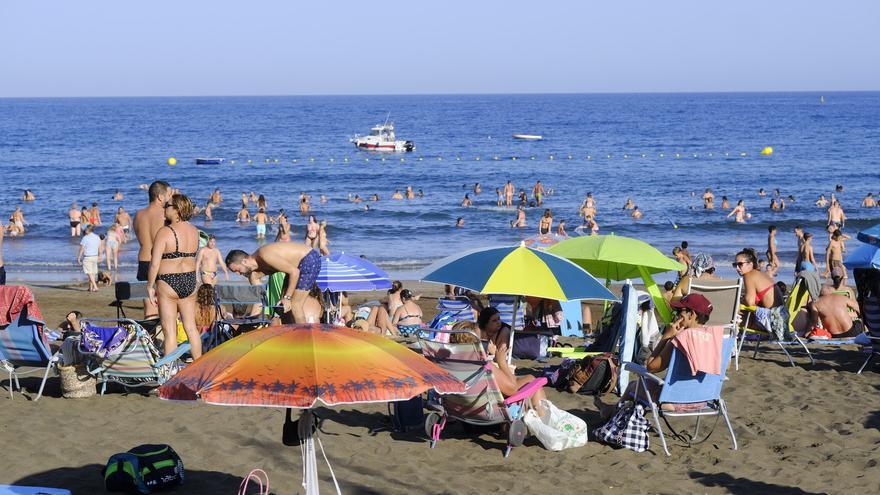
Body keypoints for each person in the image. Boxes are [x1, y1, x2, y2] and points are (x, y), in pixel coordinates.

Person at [146, 193, 202, 360]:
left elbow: (154, 263)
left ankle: (169, 374)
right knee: (191, 327)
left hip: (168, 281)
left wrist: (150, 286)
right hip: (190, 280)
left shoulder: (165, 232)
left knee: (170, 331)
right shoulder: (195, 231)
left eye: (168, 205)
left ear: (177, 210)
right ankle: (199, 366)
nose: (164, 208)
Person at [225, 242, 321, 324]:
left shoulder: (265, 255)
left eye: (237, 270)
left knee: (296, 304)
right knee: (282, 307)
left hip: (309, 259)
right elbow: (259, 298)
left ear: (244, 261)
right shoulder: (257, 267)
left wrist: (287, 297)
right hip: (295, 266)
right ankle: (291, 334)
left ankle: (304, 339)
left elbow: (294, 272)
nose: (238, 274)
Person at [476, 308, 548, 417]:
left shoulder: (463, 358)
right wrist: (500, 361)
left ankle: (538, 415)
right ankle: (543, 417)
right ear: (485, 324)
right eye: (494, 321)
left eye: (499, 319)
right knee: (532, 381)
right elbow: (512, 388)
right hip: (492, 390)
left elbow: (501, 352)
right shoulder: (481, 357)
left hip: (480, 395)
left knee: (530, 379)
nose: (499, 322)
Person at [135, 180, 173, 318]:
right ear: (160, 197)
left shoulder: (138, 215)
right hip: (162, 262)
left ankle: (151, 336)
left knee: (149, 305)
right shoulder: (165, 214)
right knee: (167, 304)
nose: (171, 197)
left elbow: (141, 239)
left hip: (144, 260)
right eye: (169, 194)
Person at [77, 225, 103, 292]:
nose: (85, 230)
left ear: (88, 230)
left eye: (86, 229)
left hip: (88, 257)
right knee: (93, 273)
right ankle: (90, 288)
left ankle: (95, 286)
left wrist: (78, 257)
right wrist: (100, 255)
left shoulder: (85, 238)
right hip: (95, 257)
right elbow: (100, 247)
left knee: (89, 273)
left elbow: (81, 249)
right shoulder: (97, 237)